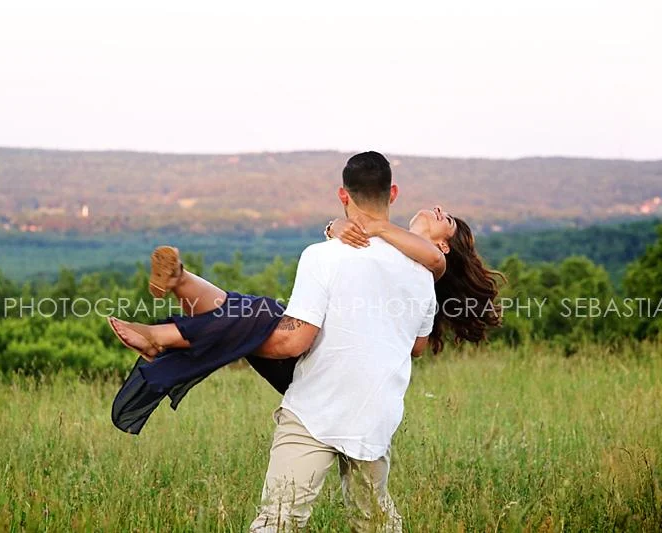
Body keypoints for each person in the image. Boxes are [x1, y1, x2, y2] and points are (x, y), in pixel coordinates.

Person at [108, 151, 503, 531]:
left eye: (445, 219)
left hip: (316, 402)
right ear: (393, 194)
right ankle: (181, 290)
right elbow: (415, 347)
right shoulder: (420, 279)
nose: (437, 211)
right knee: (374, 522)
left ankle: (174, 318)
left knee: (278, 519)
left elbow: (293, 344)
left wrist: (341, 231)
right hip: (373, 412)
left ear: (343, 195)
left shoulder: (340, 257)